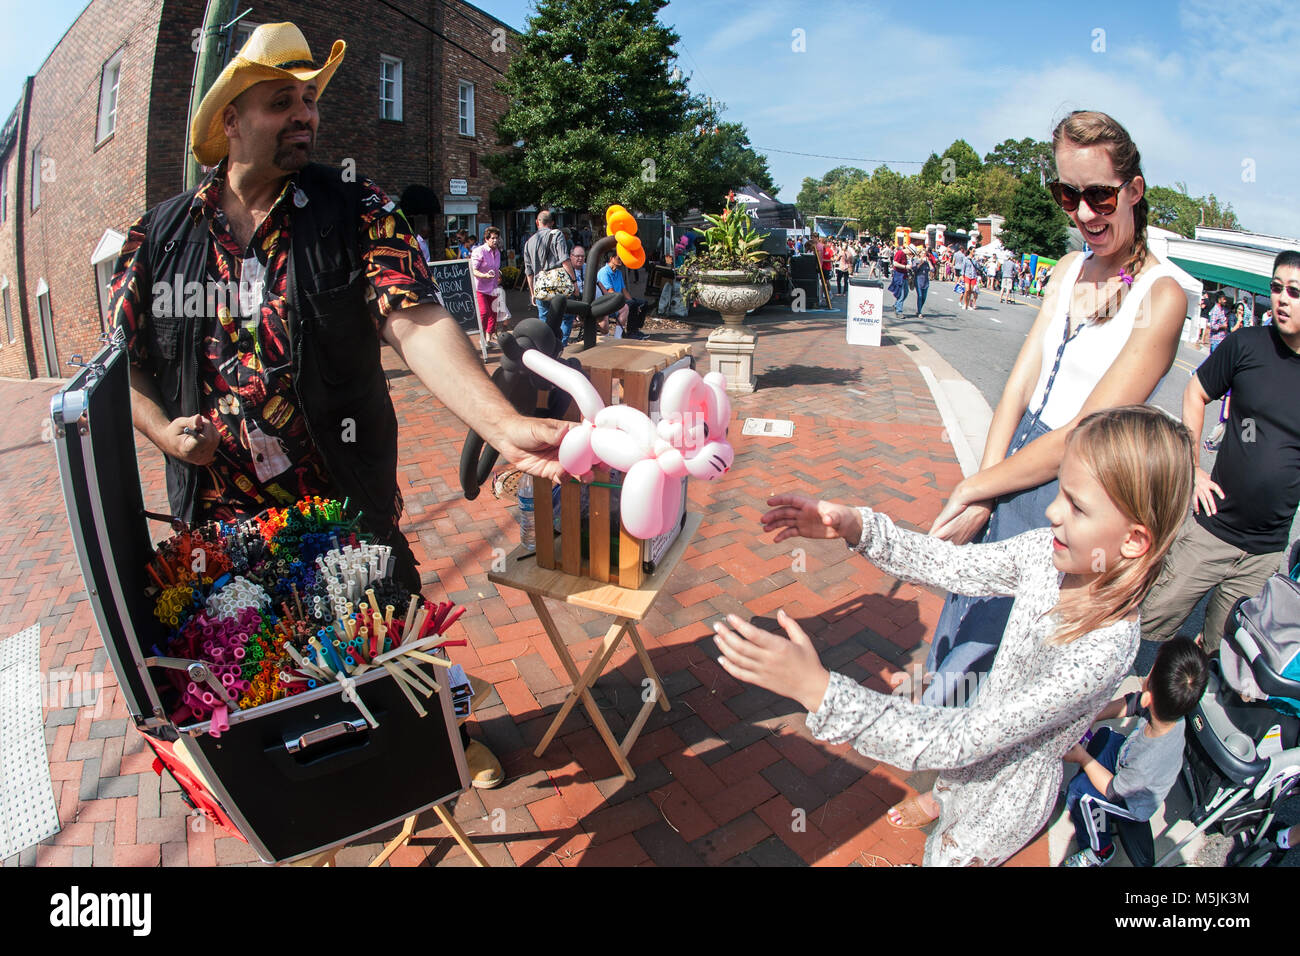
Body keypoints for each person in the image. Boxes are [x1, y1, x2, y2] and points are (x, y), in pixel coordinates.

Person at [108, 23, 573, 789]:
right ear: (231, 119)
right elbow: (122, 363)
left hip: (342, 501)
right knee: (267, 661)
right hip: (223, 520)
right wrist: (162, 431)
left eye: (310, 100)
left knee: (395, 633)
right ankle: (323, 779)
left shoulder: (356, 210)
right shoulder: (158, 237)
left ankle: (446, 745)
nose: (305, 116)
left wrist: (502, 422)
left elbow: (415, 317)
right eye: (281, 101)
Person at [714, 406, 1194, 866]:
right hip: (969, 755)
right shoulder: (1048, 555)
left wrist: (819, 692)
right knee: (949, 790)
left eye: (1076, 505)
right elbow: (955, 566)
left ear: (1134, 539)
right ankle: (941, 800)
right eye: (1059, 491)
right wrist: (861, 528)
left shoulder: (1103, 651)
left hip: (1002, 802)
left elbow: (962, 739)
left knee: (950, 854)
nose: (1051, 511)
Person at [916, 107, 1189, 832]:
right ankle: (946, 770)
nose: (1084, 213)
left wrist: (981, 485)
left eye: (1099, 195)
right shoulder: (1068, 267)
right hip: (1017, 465)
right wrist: (983, 474)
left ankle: (991, 809)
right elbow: (1020, 379)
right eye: (1067, 196)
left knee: (1021, 651)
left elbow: (1082, 434)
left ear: (1133, 189)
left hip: (1073, 486)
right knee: (964, 618)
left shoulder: (1164, 296)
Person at [1138, 252, 1300, 653]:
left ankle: (1164, 703)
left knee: (1222, 652)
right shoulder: (1247, 345)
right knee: (1143, 624)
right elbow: (1196, 391)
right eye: (1276, 288)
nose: (1281, 299)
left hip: (1264, 554)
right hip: (1212, 530)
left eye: (1294, 292)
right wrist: (1194, 469)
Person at [1062, 636, 1208, 867]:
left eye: (1151, 669)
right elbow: (1131, 704)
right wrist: (1092, 716)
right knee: (1104, 736)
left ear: (1150, 695)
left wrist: (1082, 757)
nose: (1147, 672)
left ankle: (1100, 850)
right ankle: (1084, 803)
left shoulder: (1150, 760)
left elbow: (1113, 790)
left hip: (1132, 803)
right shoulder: (1170, 712)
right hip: (1126, 763)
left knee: (1084, 795)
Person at [523, 209, 575, 333]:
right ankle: (562, 346)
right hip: (558, 284)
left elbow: (529, 272)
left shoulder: (528, 243)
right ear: (552, 223)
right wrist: (574, 280)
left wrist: (532, 292)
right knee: (566, 316)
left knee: (544, 318)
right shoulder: (556, 234)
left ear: (537, 222)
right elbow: (564, 260)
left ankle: (546, 347)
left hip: (540, 286)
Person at [596, 249, 649, 339]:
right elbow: (610, 292)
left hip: (619, 299)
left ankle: (635, 329)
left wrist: (632, 301)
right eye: (619, 258)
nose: (621, 260)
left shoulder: (618, 272)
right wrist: (627, 302)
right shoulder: (604, 272)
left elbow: (624, 290)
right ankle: (631, 332)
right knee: (631, 305)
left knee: (642, 303)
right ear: (612, 258)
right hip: (610, 301)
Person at [469, 226, 503, 346]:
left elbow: (495, 267)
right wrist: (484, 276)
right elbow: (473, 270)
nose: (495, 240)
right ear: (486, 239)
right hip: (481, 288)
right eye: (492, 238)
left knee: (493, 313)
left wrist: (498, 274)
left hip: (493, 287)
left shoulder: (497, 252)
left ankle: (488, 338)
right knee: (484, 312)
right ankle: (482, 337)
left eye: (497, 238)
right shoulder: (479, 251)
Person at [558, 244, 586, 346]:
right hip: (570, 299)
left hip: (584, 299)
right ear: (571, 256)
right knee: (566, 319)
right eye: (577, 256)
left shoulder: (587, 268)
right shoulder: (565, 269)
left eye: (582, 256)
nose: (580, 258)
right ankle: (562, 344)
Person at [890, 243, 909, 315]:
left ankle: (896, 305)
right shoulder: (900, 253)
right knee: (901, 294)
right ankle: (899, 311)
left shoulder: (904, 255)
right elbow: (895, 263)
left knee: (905, 293)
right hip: (899, 276)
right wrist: (905, 267)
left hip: (904, 276)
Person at [912, 245, 931, 319]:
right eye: (922, 253)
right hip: (918, 280)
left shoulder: (927, 262)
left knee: (924, 297)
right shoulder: (916, 260)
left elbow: (932, 270)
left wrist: (929, 262)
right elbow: (914, 269)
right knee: (919, 296)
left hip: (925, 281)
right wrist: (920, 263)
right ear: (919, 254)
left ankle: (918, 309)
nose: (924, 254)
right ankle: (919, 312)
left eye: (925, 253)